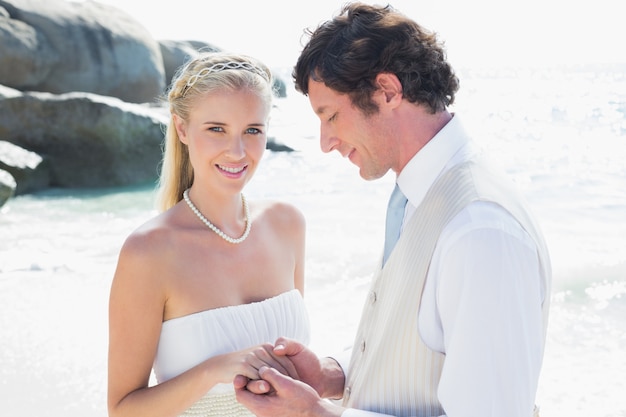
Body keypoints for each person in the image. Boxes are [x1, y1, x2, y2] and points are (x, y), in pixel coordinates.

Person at [235, 3, 551, 417]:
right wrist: (333, 375)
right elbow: (417, 352)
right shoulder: (417, 196)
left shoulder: (480, 230)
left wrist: (314, 414)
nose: (325, 141)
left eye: (330, 116)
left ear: (387, 90)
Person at [107, 51, 310, 417]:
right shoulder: (148, 252)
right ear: (182, 129)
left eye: (253, 130)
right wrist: (214, 370)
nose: (237, 151)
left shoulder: (288, 224)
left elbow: (301, 374)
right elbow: (122, 409)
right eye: (216, 129)